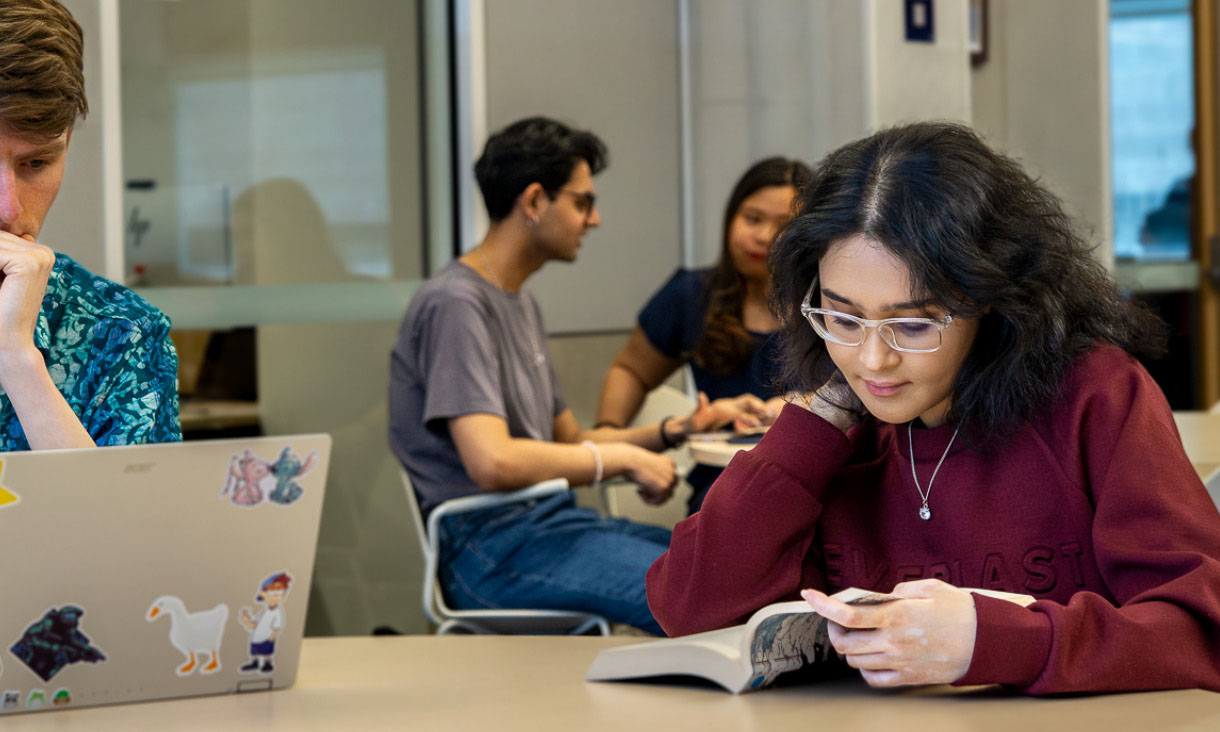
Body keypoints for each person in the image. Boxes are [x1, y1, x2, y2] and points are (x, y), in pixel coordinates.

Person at [646, 121, 1220, 694]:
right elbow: (688, 607)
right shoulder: (838, 427)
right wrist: (810, 429)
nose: (872, 361)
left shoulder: (1095, 394)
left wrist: (997, 642)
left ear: (992, 300)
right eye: (842, 318)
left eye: (913, 324)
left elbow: (1199, 633)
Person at [390, 117, 688, 635]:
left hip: (547, 524)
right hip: (490, 547)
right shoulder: (456, 304)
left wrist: (667, 434)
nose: (593, 220)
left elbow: (569, 442)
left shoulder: (519, 303)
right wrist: (620, 457)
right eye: (582, 202)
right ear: (533, 202)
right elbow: (494, 461)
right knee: (696, 590)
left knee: (728, 568)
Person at [0, 0, 180, 449]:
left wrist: (18, 360)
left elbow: (127, 520)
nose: (10, 208)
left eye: (37, 162)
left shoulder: (119, 334)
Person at [596, 157, 811, 513]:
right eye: (752, 219)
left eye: (784, 225)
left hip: (816, 489)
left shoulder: (831, 301)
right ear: (730, 218)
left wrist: (806, 406)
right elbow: (630, 370)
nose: (763, 237)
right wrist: (612, 437)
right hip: (721, 492)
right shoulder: (691, 295)